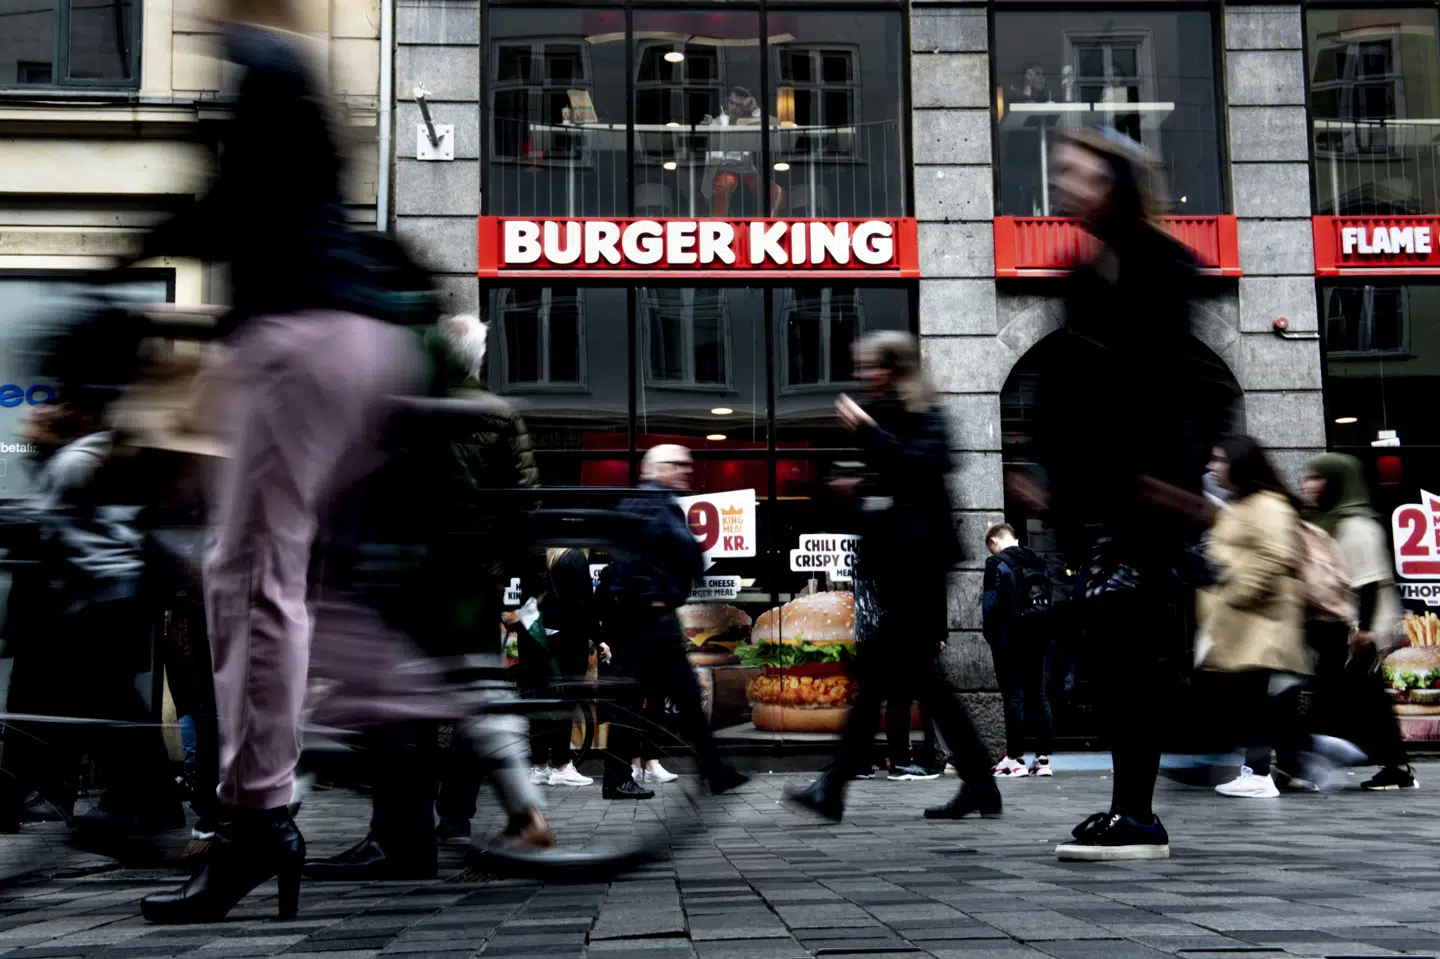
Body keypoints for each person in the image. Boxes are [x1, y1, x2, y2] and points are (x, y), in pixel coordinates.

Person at [1016, 128, 1228, 861]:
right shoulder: (1085, 273)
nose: (1063, 184)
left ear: (1116, 180)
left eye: (1076, 171)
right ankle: (1127, 805)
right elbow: (1064, 389)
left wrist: (1184, 478)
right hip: (1099, 498)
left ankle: (1139, 809)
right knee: (1109, 656)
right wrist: (1047, 481)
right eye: (1060, 173)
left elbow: (1181, 382)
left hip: (1146, 493)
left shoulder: (1161, 263)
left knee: (1130, 652)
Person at [786, 331, 1000, 823]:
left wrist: (869, 434)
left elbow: (925, 467)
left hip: (919, 565)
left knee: (880, 676)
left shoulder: (925, 413)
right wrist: (850, 489)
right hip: (893, 564)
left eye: (870, 367)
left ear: (895, 368)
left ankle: (833, 787)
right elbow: (882, 484)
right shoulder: (883, 414)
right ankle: (981, 785)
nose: (862, 377)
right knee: (925, 684)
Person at [0, 317, 184, 842]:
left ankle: (146, 810)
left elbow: (46, 522)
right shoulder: (98, 452)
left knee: (100, 707)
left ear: (78, 410)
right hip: (106, 601)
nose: (42, 411)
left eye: (57, 403)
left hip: (103, 603)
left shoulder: (85, 458)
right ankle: (139, 807)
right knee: (99, 706)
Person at [420, 313, 545, 842]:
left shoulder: (416, 411)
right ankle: (459, 813)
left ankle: (413, 813)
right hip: (476, 578)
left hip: (418, 576)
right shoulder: (500, 414)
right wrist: (522, 571)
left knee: (416, 699)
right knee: (478, 693)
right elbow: (524, 500)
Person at [599, 445, 749, 800]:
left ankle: (712, 769)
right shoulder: (658, 503)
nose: (686, 471)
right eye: (678, 465)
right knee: (647, 699)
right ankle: (623, 777)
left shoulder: (636, 504)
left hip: (640, 617)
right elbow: (689, 555)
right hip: (652, 619)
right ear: (656, 469)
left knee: (662, 697)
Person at [1197, 437, 1311, 800]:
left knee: (1256, 702)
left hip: (1262, 621)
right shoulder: (1241, 505)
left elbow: (1274, 558)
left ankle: (1259, 771)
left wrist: (1234, 595)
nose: (1212, 467)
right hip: (1245, 623)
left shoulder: (1269, 505)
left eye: (1219, 460)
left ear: (1241, 464)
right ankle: (1297, 766)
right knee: (1263, 701)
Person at [1301, 454, 1416, 791]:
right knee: (1349, 697)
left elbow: (1368, 583)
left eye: (1316, 478)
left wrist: (1363, 631)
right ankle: (1392, 765)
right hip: (1338, 628)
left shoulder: (1357, 525)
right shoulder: (1327, 520)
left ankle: (1397, 766)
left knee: (1366, 698)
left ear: (1337, 481)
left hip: (1360, 631)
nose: (1307, 485)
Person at [982, 523, 1056, 778]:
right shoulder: (1037, 560)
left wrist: (992, 636)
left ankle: (1015, 758)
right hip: (1039, 637)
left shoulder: (996, 564)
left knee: (1013, 697)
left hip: (1010, 640)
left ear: (994, 541)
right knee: (1039, 696)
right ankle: (1043, 759)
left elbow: (990, 605)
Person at [525, 547, 601, 787]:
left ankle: (538, 766)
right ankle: (561, 765)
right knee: (566, 701)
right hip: (567, 641)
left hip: (536, 640)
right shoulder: (574, 557)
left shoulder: (535, 557)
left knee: (539, 703)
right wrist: (598, 638)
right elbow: (584, 604)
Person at [702, 87, 784, 217]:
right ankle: (718, 222)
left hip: (745, 169)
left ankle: (771, 220)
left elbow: (775, 124)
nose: (733, 108)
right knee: (726, 184)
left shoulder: (749, 121)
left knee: (776, 192)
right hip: (724, 168)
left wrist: (755, 109)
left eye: (739, 105)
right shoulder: (720, 120)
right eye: (731, 103)